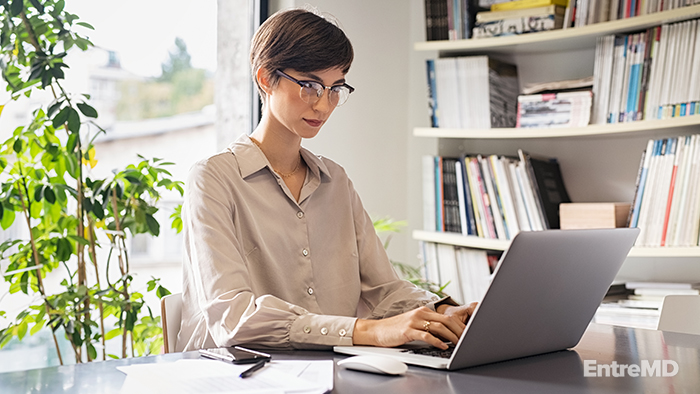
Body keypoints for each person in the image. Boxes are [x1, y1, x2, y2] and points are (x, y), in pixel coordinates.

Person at [177, 7, 476, 352]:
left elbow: (385, 290)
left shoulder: (336, 181)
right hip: (237, 378)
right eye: (310, 85)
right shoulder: (212, 179)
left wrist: (445, 312)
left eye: (335, 88)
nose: (323, 104)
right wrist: (371, 331)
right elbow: (235, 318)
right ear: (264, 78)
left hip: (331, 373)